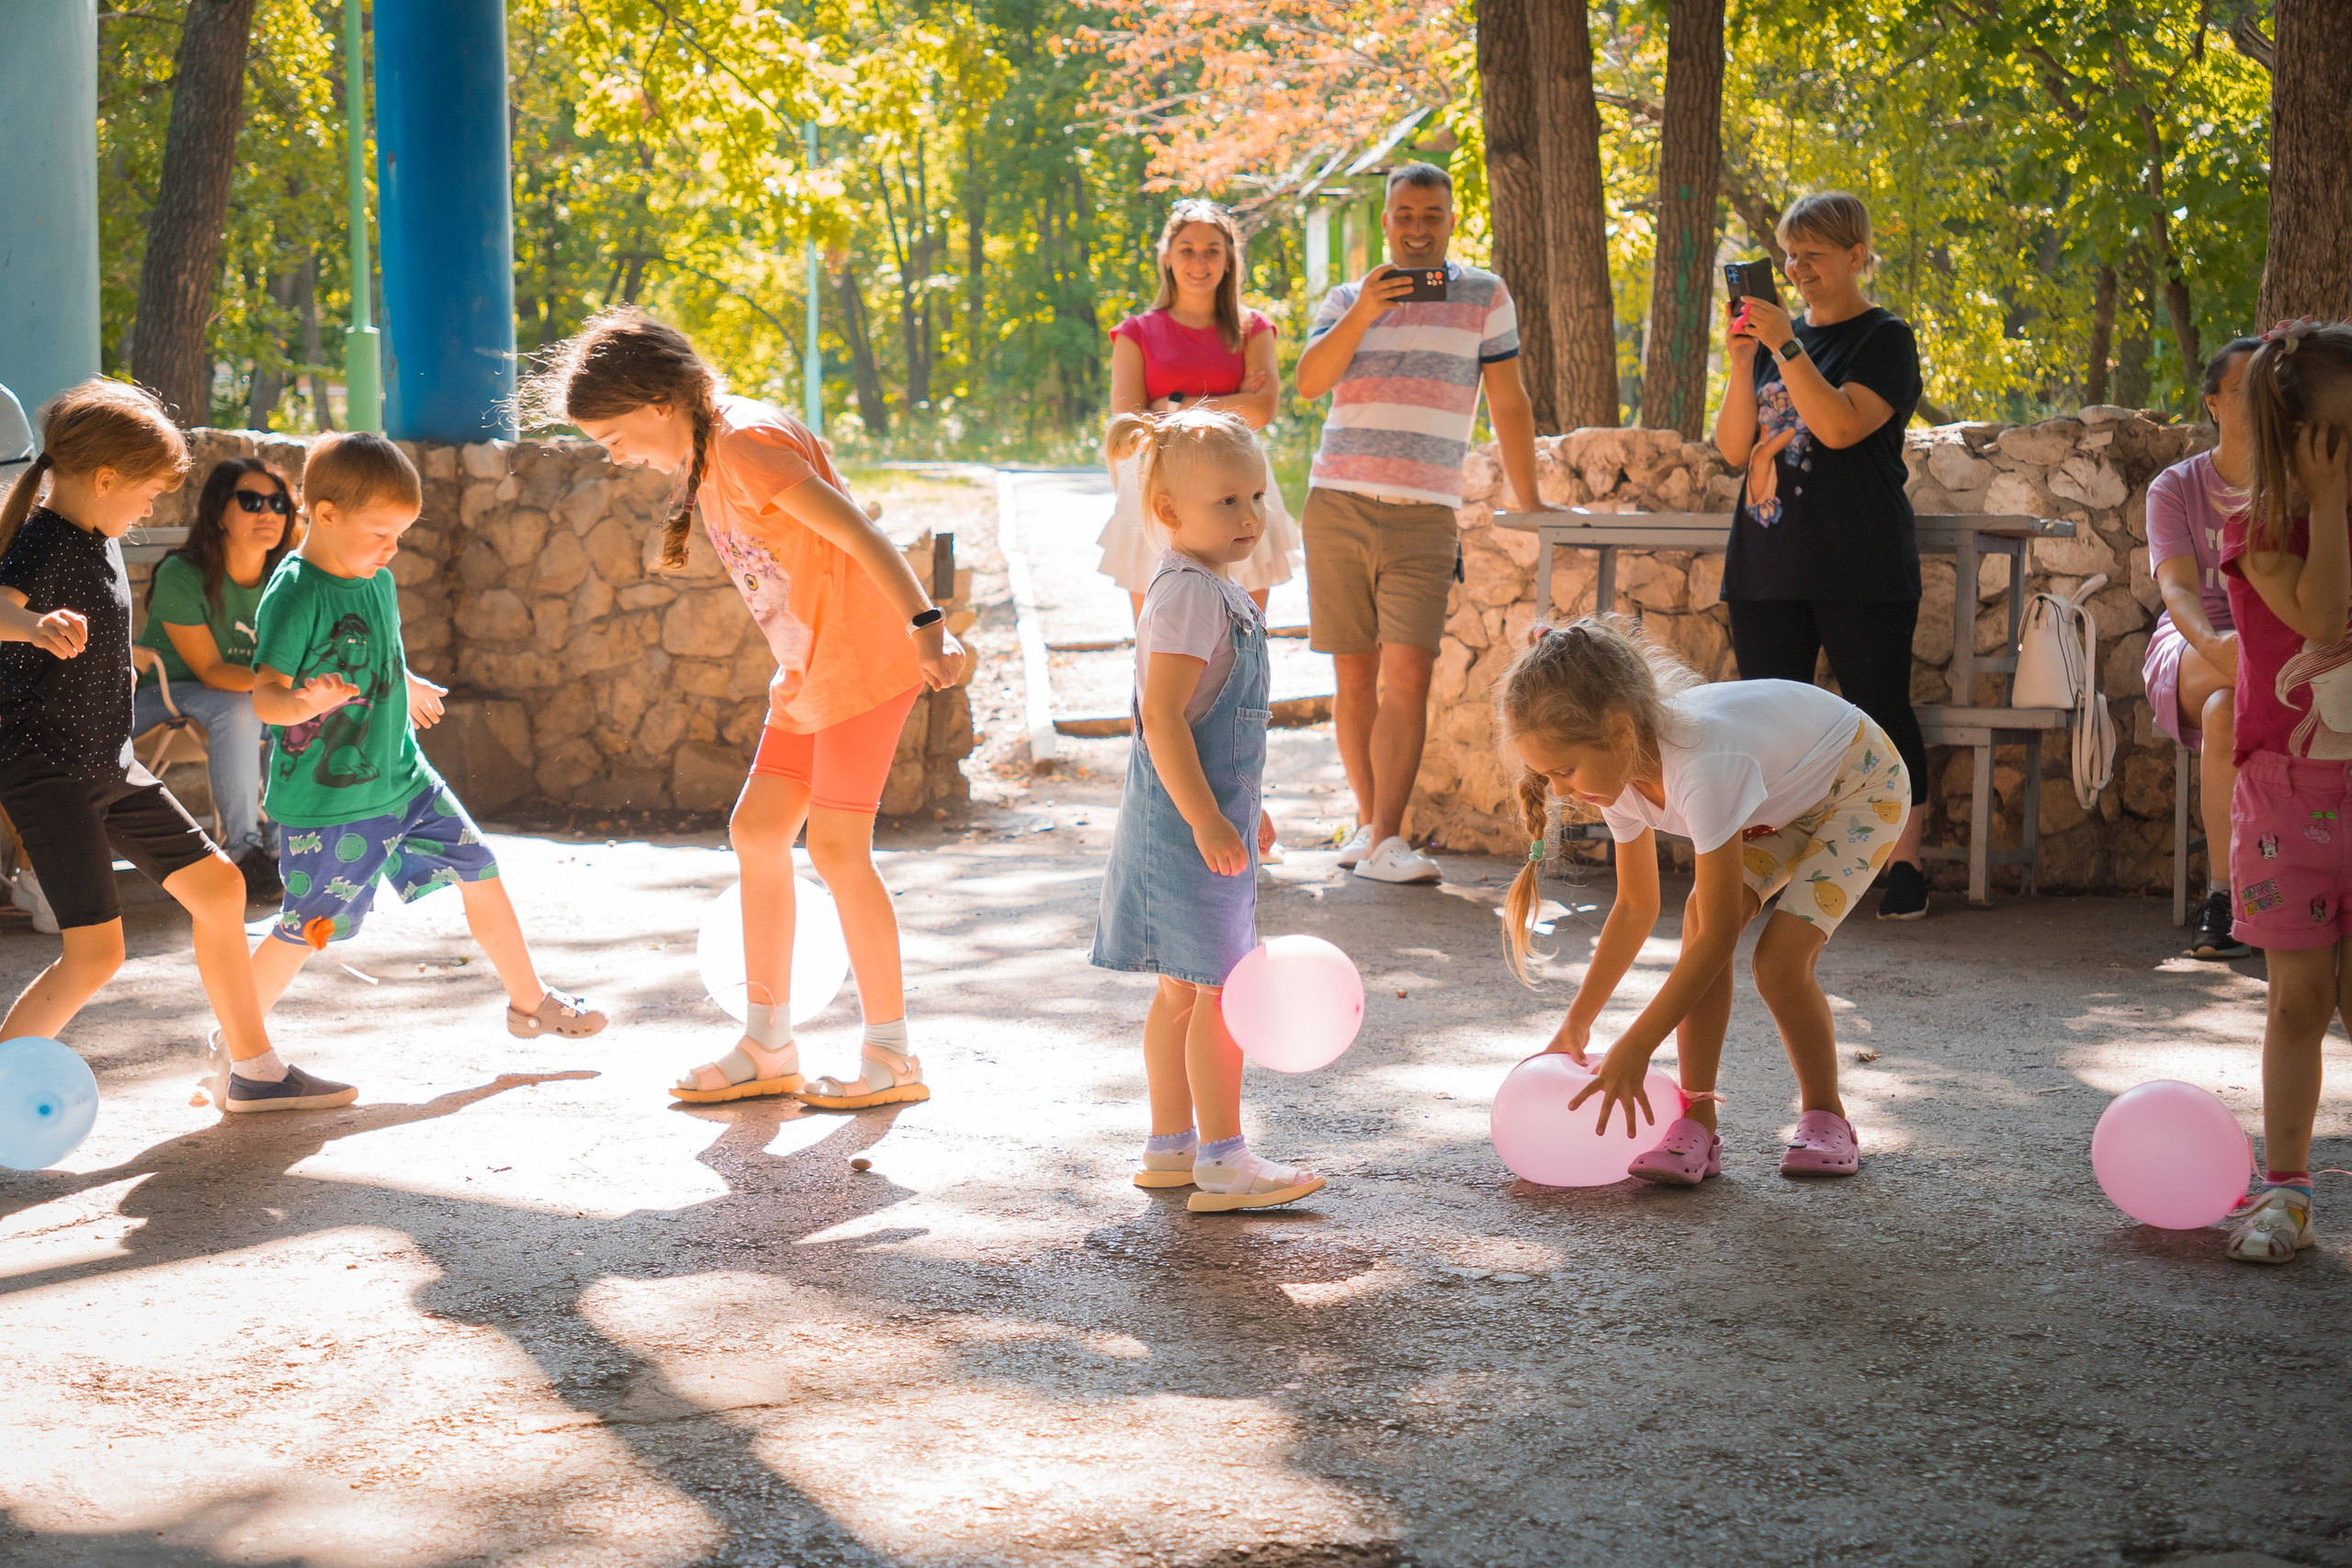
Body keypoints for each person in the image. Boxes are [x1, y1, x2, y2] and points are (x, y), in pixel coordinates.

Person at [522, 307, 966, 1111]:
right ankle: (768, 1042)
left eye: (613, 438)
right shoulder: (710, 452)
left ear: (658, 403)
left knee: (837, 849)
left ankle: (893, 1055)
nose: (617, 458)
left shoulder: (744, 442)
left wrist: (927, 624)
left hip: (862, 661)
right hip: (810, 672)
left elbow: (861, 532)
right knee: (758, 831)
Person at [0, 379, 337, 1112]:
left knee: (221, 889)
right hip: (49, 771)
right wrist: (33, 627)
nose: (152, 507)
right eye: (148, 490)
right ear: (105, 477)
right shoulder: (45, 540)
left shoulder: (97, 537)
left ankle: (254, 1069)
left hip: (109, 764)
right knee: (95, 953)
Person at [240, 433, 608, 1080]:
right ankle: (234, 1038)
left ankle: (532, 1002)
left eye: (402, 533)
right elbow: (265, 698)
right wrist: (305, 702)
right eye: (382, 531)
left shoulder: (375, 581)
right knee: (309, 926)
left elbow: (381, 650)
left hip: (405, 778)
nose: (393, 548)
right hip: (333, 804)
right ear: (325, 515)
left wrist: (404, 683)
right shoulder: (296, 594)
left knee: (480, 866)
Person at [1496, 616, 1909, 1183]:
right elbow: (1636, 907)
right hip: (1775, 803)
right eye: (1550, 777)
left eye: (1564, 771)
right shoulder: (1614, 777)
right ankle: (1699, 1119)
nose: (1563, 792)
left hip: (1859, 784)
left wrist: (1638, 1044)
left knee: (1778, 962)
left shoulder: (1704, 765)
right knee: (1698, 918)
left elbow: (1721, 937)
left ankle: (1825, 1113)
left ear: (1619, 732)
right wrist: (1579, 1023)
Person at [1091, 407, 1323, 1213]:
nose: (1251, 516)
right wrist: (1206, 819)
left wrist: (1242, 807)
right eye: (1228, 502)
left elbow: (1207, 721)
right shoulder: (1191, 594)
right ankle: (1224, 1160)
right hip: (1186, 830)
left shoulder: (1210, 587)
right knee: (1222, 990)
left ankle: (1171, 1146)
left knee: (1182, 992)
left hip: (1198, 821)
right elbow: (1161, 718)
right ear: (1167, 514)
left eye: (1256, 497)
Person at [1294, 161, 1549, 886]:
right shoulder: (1350, 297)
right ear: (1385, 222)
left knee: (1407, 674)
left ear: (1451, 221)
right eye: (1403, 215)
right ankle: (1373, 829)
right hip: (1337, 501)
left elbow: (1509, 403)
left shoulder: (1484, 296)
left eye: (1430, 215)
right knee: (1353, 677)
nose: (1416, 228)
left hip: (1426, 513)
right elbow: (1311, 381)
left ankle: (1389, 837)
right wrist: (1363, 312)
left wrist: (1527, 500)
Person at [1711, 191, 1930, 921]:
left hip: (1860, 562)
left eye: (1813, 254)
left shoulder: (1885, 338)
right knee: (1767, 722)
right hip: (1766, 565)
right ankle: (1778, 864)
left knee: (1881, 708)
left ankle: (1904, 864)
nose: (1796, 268)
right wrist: (1745, 361)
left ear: (1857, 256)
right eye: (1789, 254)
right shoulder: (1777, 341)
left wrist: (1785, 347)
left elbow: (1839, 427)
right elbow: (1733, 448)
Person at [2210, 319, 2352, 1264]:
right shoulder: (2256, 533)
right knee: (2296, 1003)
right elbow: (2321, 616)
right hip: (2284, 804)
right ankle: (2287, 1188)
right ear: (2302, 440)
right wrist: (2330, 506)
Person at [1098, 199, 1298, 619]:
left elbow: (1261, 410)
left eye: (1212, 250)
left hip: (1240, 489)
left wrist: (1173, 405)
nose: (1199, 261)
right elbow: (1131, 427)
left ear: (1229, 261)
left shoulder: (1252, 328)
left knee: (1243, 637)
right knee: (1160, 640)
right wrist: (1230, 403)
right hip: (1160, 488)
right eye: (1187, 249)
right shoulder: (1136, 332)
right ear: (1167, 258)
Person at [132, 457, 302, 902]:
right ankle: (242, 851)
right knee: (248, 705)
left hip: (242, 695)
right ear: (220, 513)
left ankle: (285, 848)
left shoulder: (289, 578)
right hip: (165, 694)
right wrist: (287, 686)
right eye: (250, 501)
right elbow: (210, 672)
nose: (268, 513)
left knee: (289, 709)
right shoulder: (182, 574)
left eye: (278, 502)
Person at [2144, 337, 2261, 960]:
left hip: (2272, 642)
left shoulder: (2300, 484)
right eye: (2245, 390)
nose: (2261, 401)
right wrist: (2223, 643)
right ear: (2213, 403)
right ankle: (2229, 899)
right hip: (2196, 639)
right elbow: (2179, 593)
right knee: (2230, 680)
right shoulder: (2175, 487)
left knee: (2226, 710)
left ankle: (2229, 901)